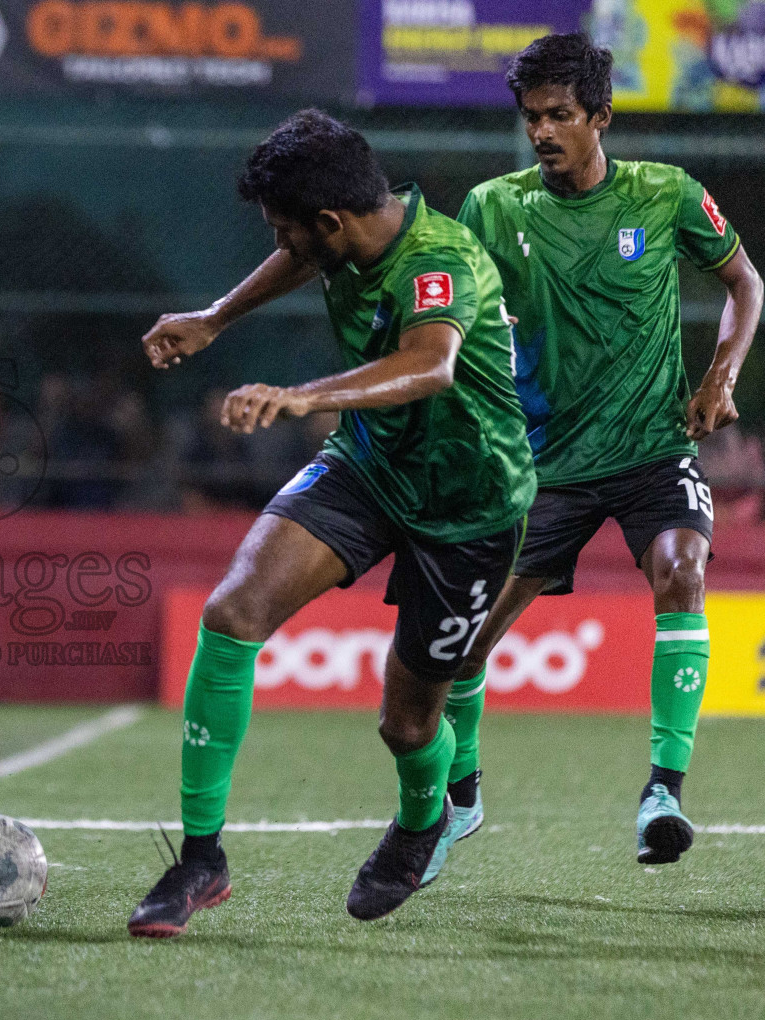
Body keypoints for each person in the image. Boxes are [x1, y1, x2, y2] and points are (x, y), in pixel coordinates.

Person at [127, 110, 535, 936]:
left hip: (471, 506)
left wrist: (304, 395)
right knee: (231, 613)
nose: (282, 243)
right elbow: (291, 260)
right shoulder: (344, 235)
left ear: (330, 223)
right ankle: (201, 859)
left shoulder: (439, 258)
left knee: (408, 721)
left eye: (289, 230)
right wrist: (215, 317)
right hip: (368, 469)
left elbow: (432, 363)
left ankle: (423, 821)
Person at [451, 33, 763, 865]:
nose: (543, 131)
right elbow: (445, 318)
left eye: (559, 115)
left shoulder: (664, 195)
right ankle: (459, 798)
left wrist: (719, 375)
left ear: (600, 117)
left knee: (684, 572)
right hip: (543, 466)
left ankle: (664, 792)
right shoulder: (493, 208)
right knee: (465, 641)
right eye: (531, 117)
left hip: (654, 451)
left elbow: (745, 281)